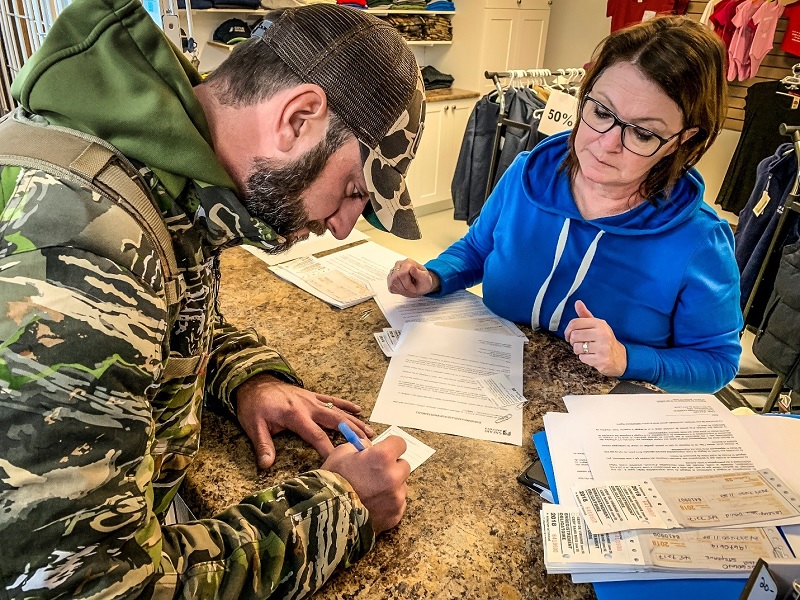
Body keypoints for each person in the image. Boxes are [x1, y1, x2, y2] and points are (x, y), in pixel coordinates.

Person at [0, 0, 425, 597]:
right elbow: (92, 584)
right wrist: (342, 507)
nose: (345, 226)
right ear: (299, 118)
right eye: (354, 189)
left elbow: (149, 313)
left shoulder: (150, 166)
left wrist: (247, 377)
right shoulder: (77, 244)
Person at [388, 16, 743, 394]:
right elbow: (478, 249)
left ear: (683, 141)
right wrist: (434, 276)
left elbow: (717, 362)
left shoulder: (700, 240)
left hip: (597, 424)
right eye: (601, 112)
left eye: (642, 133)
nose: (606, 143)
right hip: (487, 383)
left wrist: (628, 358)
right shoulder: (528, 175)